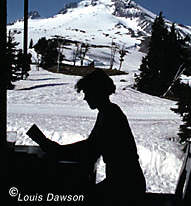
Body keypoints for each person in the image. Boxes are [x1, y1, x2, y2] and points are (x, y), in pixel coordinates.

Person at [27, 69, 146, 204]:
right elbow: (92, 145)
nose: (85, 98)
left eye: (87, 93)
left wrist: (57, 150)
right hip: (126, 183)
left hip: (125, 187)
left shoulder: (110, 115)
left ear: (96, 92)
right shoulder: (109, 111)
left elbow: (90, 148)